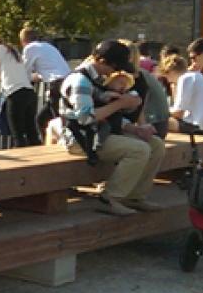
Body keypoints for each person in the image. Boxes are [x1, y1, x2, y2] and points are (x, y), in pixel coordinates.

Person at [58, 39, 166, 217]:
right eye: (114, 67)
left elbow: (108, 116)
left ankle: (134, 196)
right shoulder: (80, 81)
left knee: (156, 145)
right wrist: (120, 104)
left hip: (99, 134)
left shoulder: (97, 79)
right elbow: (85, 118)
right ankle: (109, 198)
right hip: (82, 140)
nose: (117, 72)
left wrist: (134, 128)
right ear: (100, 61)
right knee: (139, 150)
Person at [0, 33, 40, 146]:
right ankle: (40, 160)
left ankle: (24, 162)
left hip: (15, 93)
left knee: (17, 134)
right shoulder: (13, 50)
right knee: (31, 132)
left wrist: (2, 79)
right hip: (29, 92)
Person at [20, 27, 70, 130]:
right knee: (42, 119)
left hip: (56, 84)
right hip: (67, 81)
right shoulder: (48, 46)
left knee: (58, 120)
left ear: (23, 40)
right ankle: (48, 144)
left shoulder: (30, 48)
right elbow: (49, 68)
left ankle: (63, 143)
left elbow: (24, 72)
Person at [159, 53, 203, 134]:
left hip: (198, 127)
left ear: (171, 71)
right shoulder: (196, 76)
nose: (168, 81)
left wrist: (159, 112)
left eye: (167, 77)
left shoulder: (185, 79)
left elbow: (178, 113)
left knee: (157, 121)